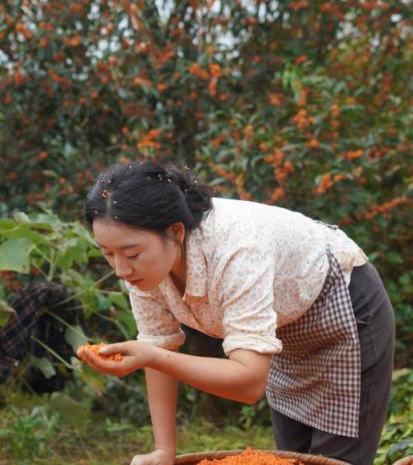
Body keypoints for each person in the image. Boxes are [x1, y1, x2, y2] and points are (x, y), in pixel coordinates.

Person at [79, 160, 395, 465]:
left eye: (131, 253)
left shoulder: (237, 252)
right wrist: (164, 450)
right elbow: (158, 345)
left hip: (341, 310)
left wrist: (151, 357)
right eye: (108, 253)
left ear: (175, 232)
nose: (120, 269)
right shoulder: (144, 270)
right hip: (282, 328)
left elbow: (248, 383)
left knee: (333, 461)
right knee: (292, 459)